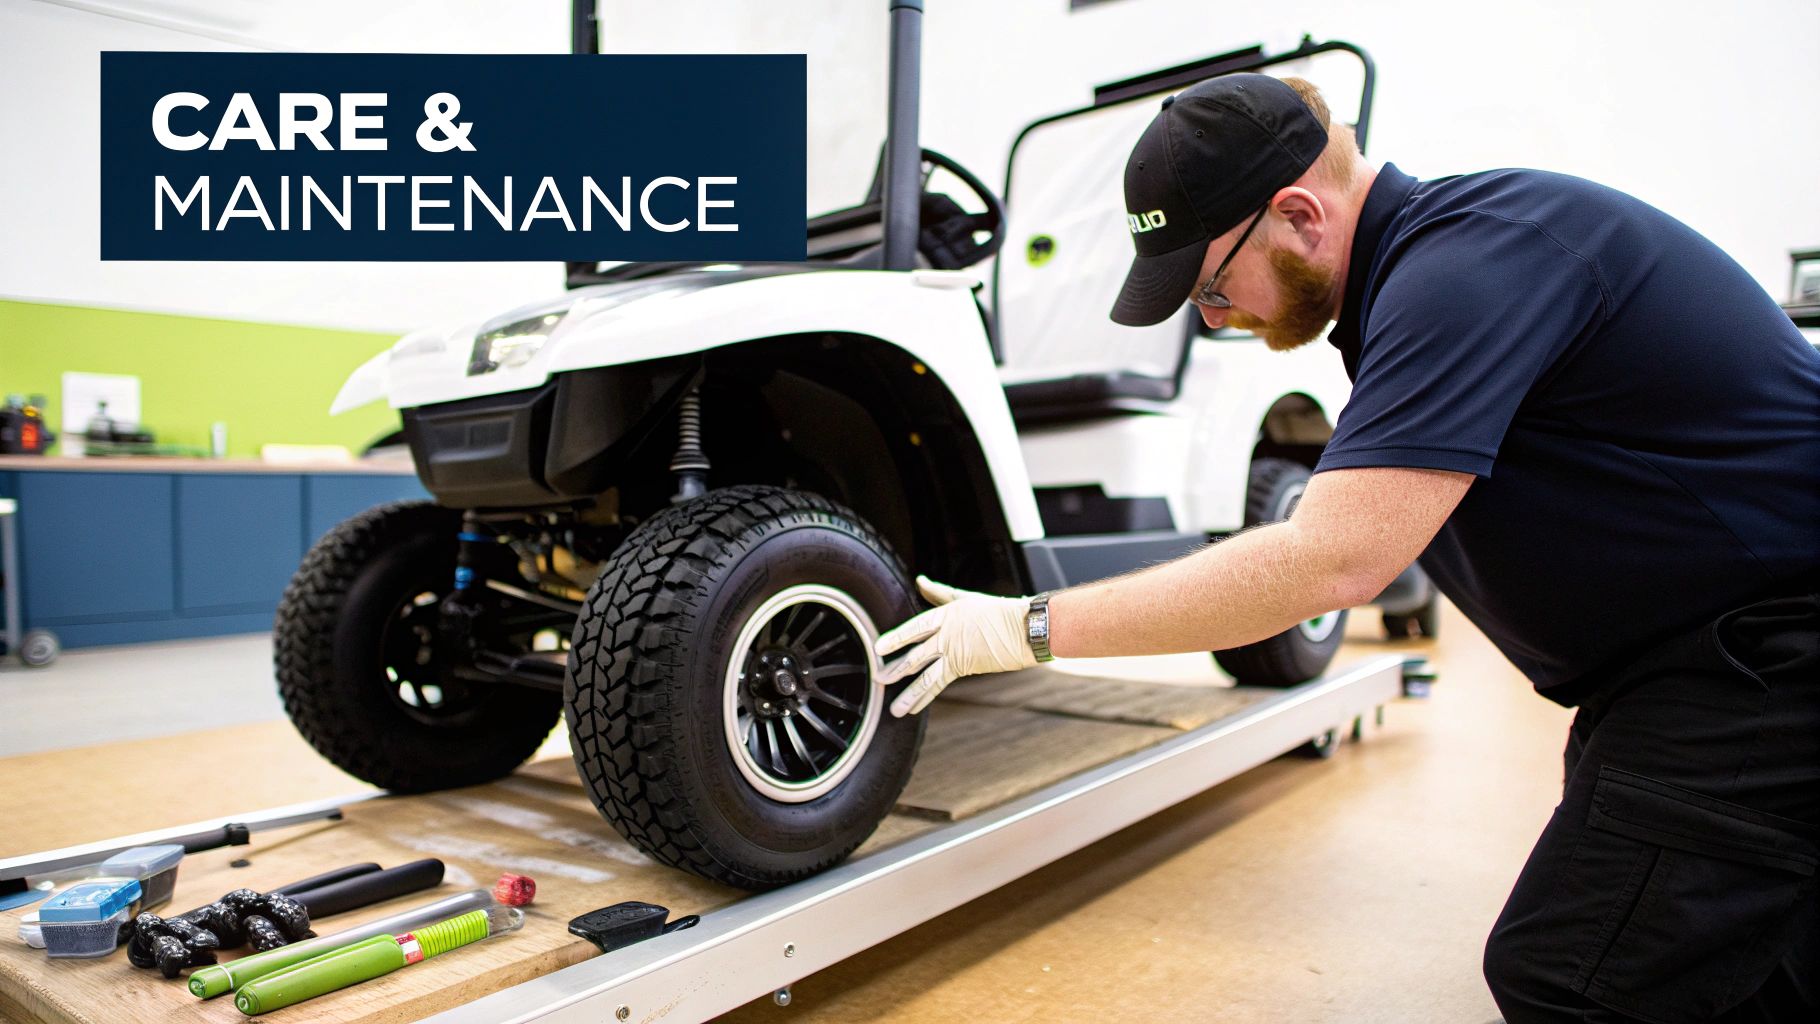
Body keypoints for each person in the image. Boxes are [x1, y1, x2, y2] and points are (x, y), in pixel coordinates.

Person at [874, 73, 1820, 1022]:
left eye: (1209, 282)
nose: (1209, 315)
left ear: (1298, 214)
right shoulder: (1426, 274)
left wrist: (1023, 630)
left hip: (1772, 659)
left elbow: (1328, 562)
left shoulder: (1468, 269)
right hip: (1693, 667)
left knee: (1578, 979)